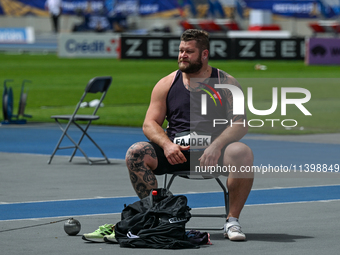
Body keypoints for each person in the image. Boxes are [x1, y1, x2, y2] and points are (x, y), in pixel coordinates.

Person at [82, 29, 254, 243]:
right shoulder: (166, 83)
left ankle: (232, 220)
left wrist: (217, 145)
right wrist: (166, 145)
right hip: (176, 153)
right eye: (181, 50)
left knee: (242, 152)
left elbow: (241, 123)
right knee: (136, 152)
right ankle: (157, 216)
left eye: (189, 51)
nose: (182, 55)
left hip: (212, 155)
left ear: (204, 54)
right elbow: (149, 123)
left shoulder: (227, 82)